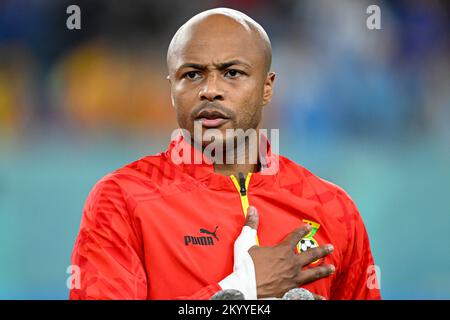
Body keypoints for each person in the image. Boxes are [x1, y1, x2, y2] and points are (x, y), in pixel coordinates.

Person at [69, 7, 381, 300]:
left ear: (267, 88)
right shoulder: (121, 199)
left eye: (232, 73)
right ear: (171, 91)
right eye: (192, 75)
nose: (210, 89)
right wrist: (243, 288)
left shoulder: (334, 208)